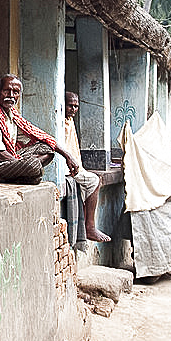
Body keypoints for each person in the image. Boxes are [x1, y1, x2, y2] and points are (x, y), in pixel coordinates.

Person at [0, 74, 78, 186]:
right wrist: (24, 164)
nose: (11, 95)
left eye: (15, 92)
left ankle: (22, 174)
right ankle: (24, 173)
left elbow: (41, 136)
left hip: (6, 161)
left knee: (47, 148)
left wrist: (68, 156)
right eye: (6, 91)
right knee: (33, 166)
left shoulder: (11, 114)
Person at [64, 92, 110, 242]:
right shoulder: (61, 122)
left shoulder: (69, 120)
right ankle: (89, 227)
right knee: (94, 181)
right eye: (70, 105)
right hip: (66, 168)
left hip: (76, 166)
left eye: (76, 106)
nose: (74, 109)